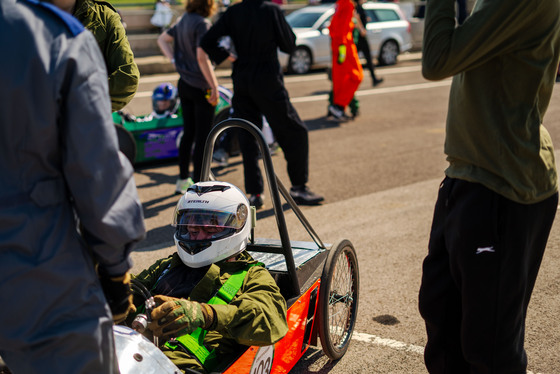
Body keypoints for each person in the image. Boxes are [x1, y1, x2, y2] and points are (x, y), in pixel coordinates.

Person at [0, 1, 146, 373]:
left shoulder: (87, 22)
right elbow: (99, 178)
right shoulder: (52, 36)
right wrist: (116, 274)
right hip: (36, 273)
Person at [418, 0, 560, 373]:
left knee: (489, 348)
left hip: (502, 186)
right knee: (442, 321)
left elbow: (437, 59)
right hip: (465, 175)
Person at [130, 181, 288, 373]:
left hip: (182, 365)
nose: (196, 236)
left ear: (237, 224)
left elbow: (270, 321)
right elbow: (131, 288)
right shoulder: (168, 264)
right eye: (192, 227)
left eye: (210, 227)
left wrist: (206, 314)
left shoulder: (251, 275)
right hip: (133, 350)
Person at [200, 0, 324, 208]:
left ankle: (255, 193)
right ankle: (298, 187)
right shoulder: (271, 11)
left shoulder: (233, 12)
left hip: (242, 79)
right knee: (295, 131)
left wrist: (227, 56)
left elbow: (207, 41)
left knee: (248, 136)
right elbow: (289, 44)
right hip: (268, 81)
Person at [157, 0, 221, 195]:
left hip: (184, 83)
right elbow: (202, 57)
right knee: (204, 136)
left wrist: (174, 60)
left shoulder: (183, 20)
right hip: (201, 85)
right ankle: (201, 180)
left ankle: (183, 178)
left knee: (189, 133)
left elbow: (162, 40)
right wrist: (214, 85)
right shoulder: (202, 24)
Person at [51, 0, 140, 112]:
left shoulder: (104, 16)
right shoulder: (27, 17)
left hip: (85, 123)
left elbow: (127, 78)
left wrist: (76, 106)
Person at [327, 0, 364, 120]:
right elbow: (341, 27)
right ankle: (339, 106)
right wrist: (342, 48)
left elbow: (332, 26)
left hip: (338, 44)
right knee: (357, 76)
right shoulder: (347, 4)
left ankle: (337, 107)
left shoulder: (341, 2)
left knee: (340, 78)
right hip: (345, 45)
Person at [353, 0, 383, 87]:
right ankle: (352, 79)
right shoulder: (356, 7)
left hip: (360, 38)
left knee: (368, 58)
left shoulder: (359, 6)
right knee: (354, 59)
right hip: (358, 38)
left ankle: (374, 78)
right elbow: (356, 18)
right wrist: (362, 29)